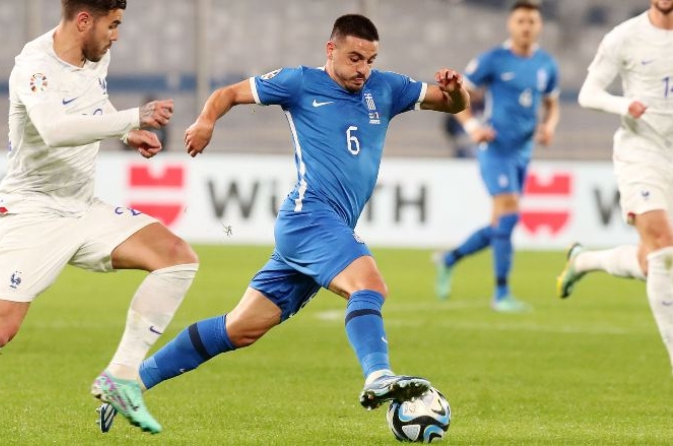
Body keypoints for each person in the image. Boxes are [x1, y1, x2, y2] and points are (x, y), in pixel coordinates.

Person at [97, 13, 469, 432]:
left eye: (370, 60)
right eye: (354, 58)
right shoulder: (299, 82)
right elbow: (228, 93)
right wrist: (205, 121)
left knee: (240, 328)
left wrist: (456, 90)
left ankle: (128, 382)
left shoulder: (387, 87)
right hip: (310, 216)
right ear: (331, 50)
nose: (363, 69)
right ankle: (379, 375)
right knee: (369, 285)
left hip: (324, 226)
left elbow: (453, 104)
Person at [0, 0, 198, 443]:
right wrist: (132, 117)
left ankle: (122, 376)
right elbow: (53, 129)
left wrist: (126, 134)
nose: (116, 35)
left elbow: (93, 103)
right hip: (33, 213)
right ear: (84, 21)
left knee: (177, 257)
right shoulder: (33, 66)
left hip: (83, 207)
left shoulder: (96, 55)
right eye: (112, 25)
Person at [557, 0, 673, 372]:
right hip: (642, 151)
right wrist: (625, 104)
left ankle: (583, 260)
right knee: (663, 248)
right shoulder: (625, 36)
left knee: (654, 262)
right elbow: (589, 93)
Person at [434, 0, 560, 312]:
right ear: (510, 24)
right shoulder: (492, 59)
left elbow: (551, 104)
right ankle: (501, 294)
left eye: (531, 21)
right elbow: (456, 96)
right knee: (509, 215)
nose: (526, 27)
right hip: (495, 149)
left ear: (540, 25)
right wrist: (473, 127)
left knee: (500, 224)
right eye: (521, 21)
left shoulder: (546, 65)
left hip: (523, 152)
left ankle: (449, 259)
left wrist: (548, 127)